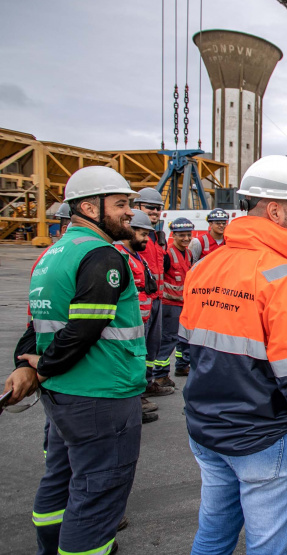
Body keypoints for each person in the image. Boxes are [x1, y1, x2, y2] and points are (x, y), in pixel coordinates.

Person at [179, 155, 287, 554]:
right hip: (266, 435)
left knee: (212, 537)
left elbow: (188, 347)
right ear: (276, 209)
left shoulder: (204, 267)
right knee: (269, 547)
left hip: (207, 428)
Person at [4, 166, 146, 555]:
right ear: (88, 207)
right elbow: (82, 330)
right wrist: (43, 365)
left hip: (62, 395)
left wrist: (28, 363)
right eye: (120, 204)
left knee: (59, 481)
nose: (129, 212)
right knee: (97, 495)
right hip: (101, 393)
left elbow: (37, 321)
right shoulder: (101, 256)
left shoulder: (53, 255)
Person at [114, 210, 163, 424]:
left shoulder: (135, 256)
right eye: (143, 234)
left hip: (141, 321)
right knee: (127, 366)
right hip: (127, 326)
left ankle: (137, 401)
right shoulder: (119, 256)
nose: (146, 239)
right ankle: (132, 408)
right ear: (130, 231)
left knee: (138, 363)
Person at [134, 187, 173, 396]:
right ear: (137, 207)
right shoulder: (133, 234)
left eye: (158, 209)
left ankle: (148, 382)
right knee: (138, 346)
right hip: (141, 299)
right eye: (150, 208)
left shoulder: (157, 236)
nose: (155, 212)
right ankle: (138, 389)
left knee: (152, 344)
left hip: (157, 298)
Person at [155, 217, 193, 382]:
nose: (186, 239)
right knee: (168, 339)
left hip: (183, 303)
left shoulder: (189, 253)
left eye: (188, 235)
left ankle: (181, 365)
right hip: (170, 304)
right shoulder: (167, 254)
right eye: (181, 235)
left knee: (182, 338)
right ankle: (160, 374)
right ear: (174, 235)